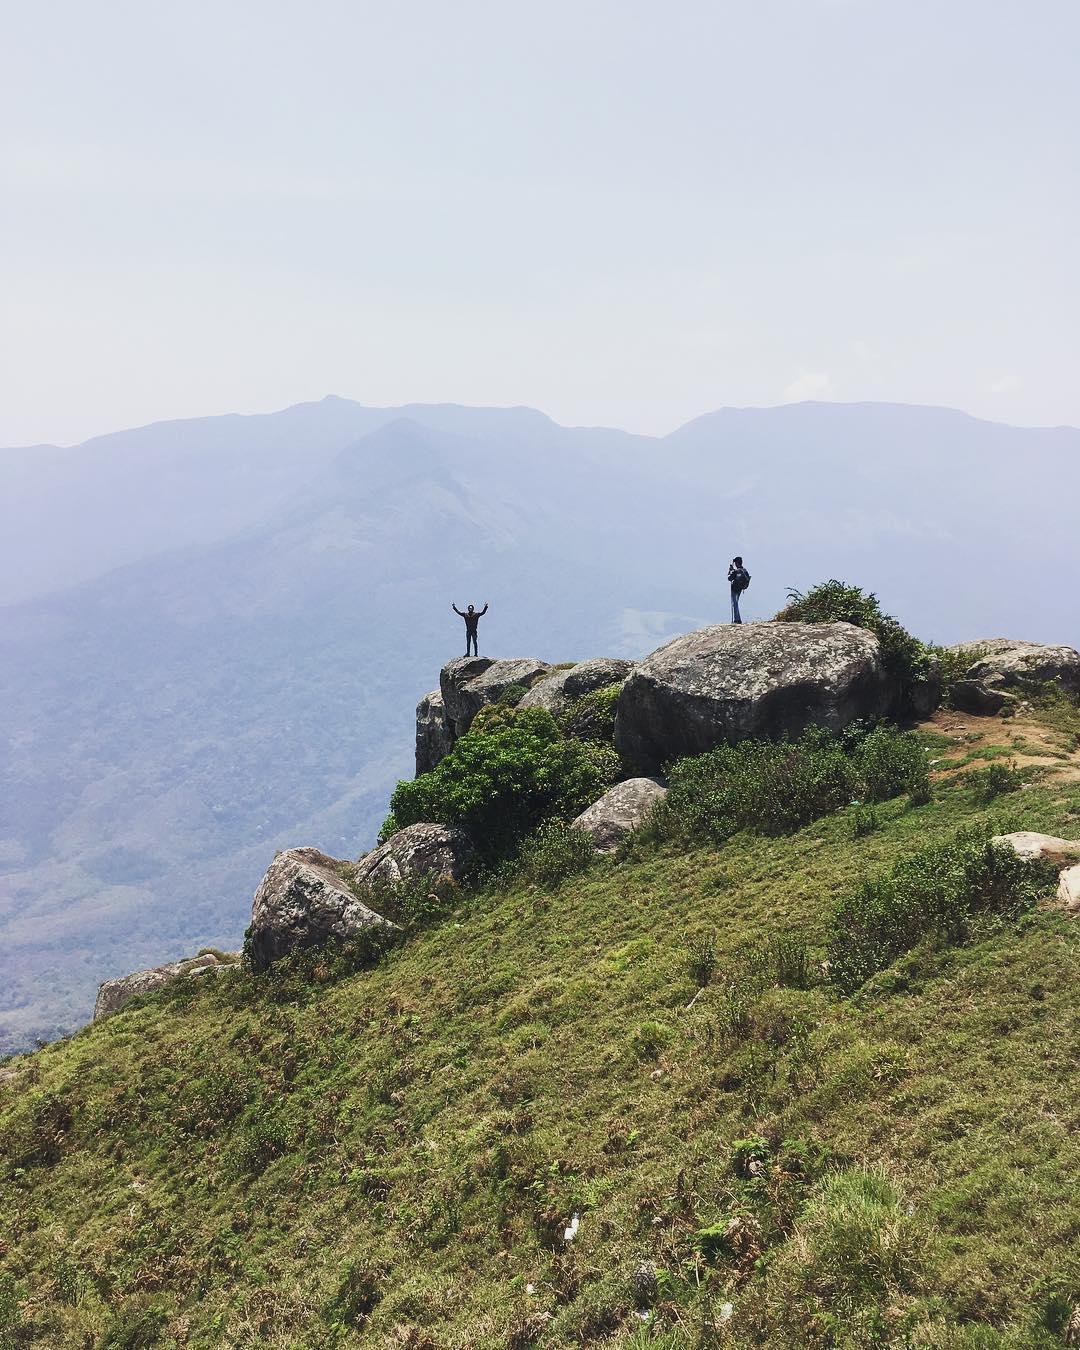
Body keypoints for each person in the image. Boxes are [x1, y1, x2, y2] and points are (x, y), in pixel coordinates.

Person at [727, 557, 750, 624]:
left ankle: (737, 620)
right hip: (740, 588)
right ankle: (737, 619)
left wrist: (731, 571)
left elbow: (729, 578)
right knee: (736, 603)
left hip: (734, 589)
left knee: (735, 604)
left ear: (736, 563)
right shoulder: (744, 570)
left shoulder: (736, 571)